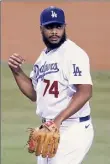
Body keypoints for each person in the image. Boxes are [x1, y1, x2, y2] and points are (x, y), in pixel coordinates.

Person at [8, 6, 94, 164]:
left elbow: (85, 92)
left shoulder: (73, 53)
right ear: (41, 28)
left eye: (58, 26)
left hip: (72, 128)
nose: (54, 31)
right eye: (49, 27)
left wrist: (58, 120)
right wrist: (16, 71)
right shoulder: (43, 58)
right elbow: (35, 94)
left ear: (64, 27)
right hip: (49, 128)